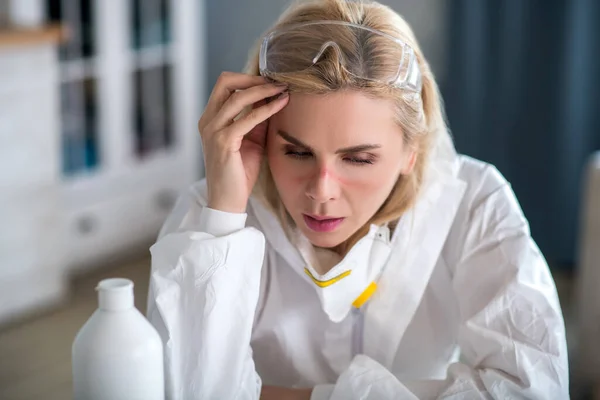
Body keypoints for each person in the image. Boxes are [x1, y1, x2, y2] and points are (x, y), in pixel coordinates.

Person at [146, 0, 569, 398]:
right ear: (261, 134)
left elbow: (531, 388)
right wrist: (223, 221)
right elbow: (177, 389)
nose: (321, 190)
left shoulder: (474, 201)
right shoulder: (211, 211)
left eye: (359, 158)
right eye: (296, 152)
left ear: (411, 151)